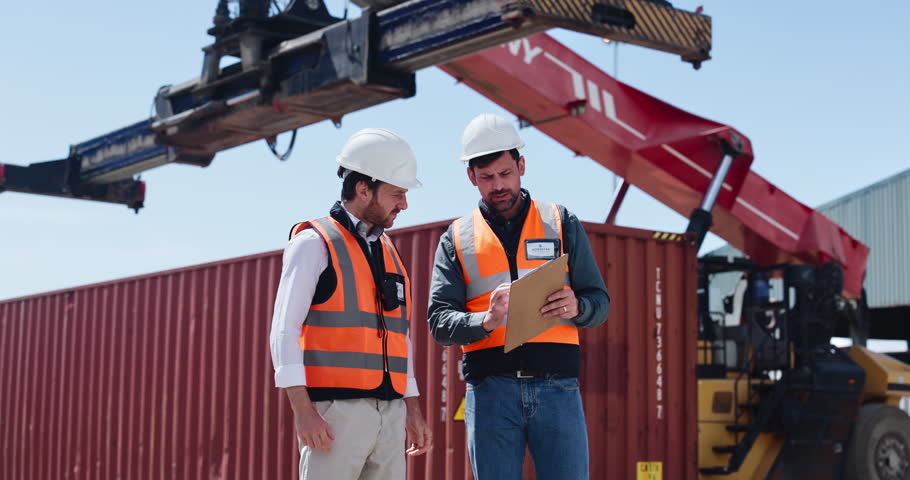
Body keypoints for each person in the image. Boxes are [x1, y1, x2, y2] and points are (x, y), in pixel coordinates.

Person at [427, 113, 610, 479]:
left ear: (521, 166)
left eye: (505, 173)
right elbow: (439, 322)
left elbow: (600, 302)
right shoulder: (456, 238)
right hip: (490, 392)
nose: (498, 185)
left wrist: (579, 306)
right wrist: (486, 320)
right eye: (486, 177)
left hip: (558, 387)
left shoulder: (561, 221)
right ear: (471, 177)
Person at [270, 128, 432, 479]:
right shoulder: (313, 243)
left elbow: (399, 338)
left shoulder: (389, 250)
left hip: (390, 414)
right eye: (397, 193)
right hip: (334, 415)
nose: (404, 204)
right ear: (363, 189)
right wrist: (303, 411)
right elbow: (284, 330)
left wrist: (412, 408)